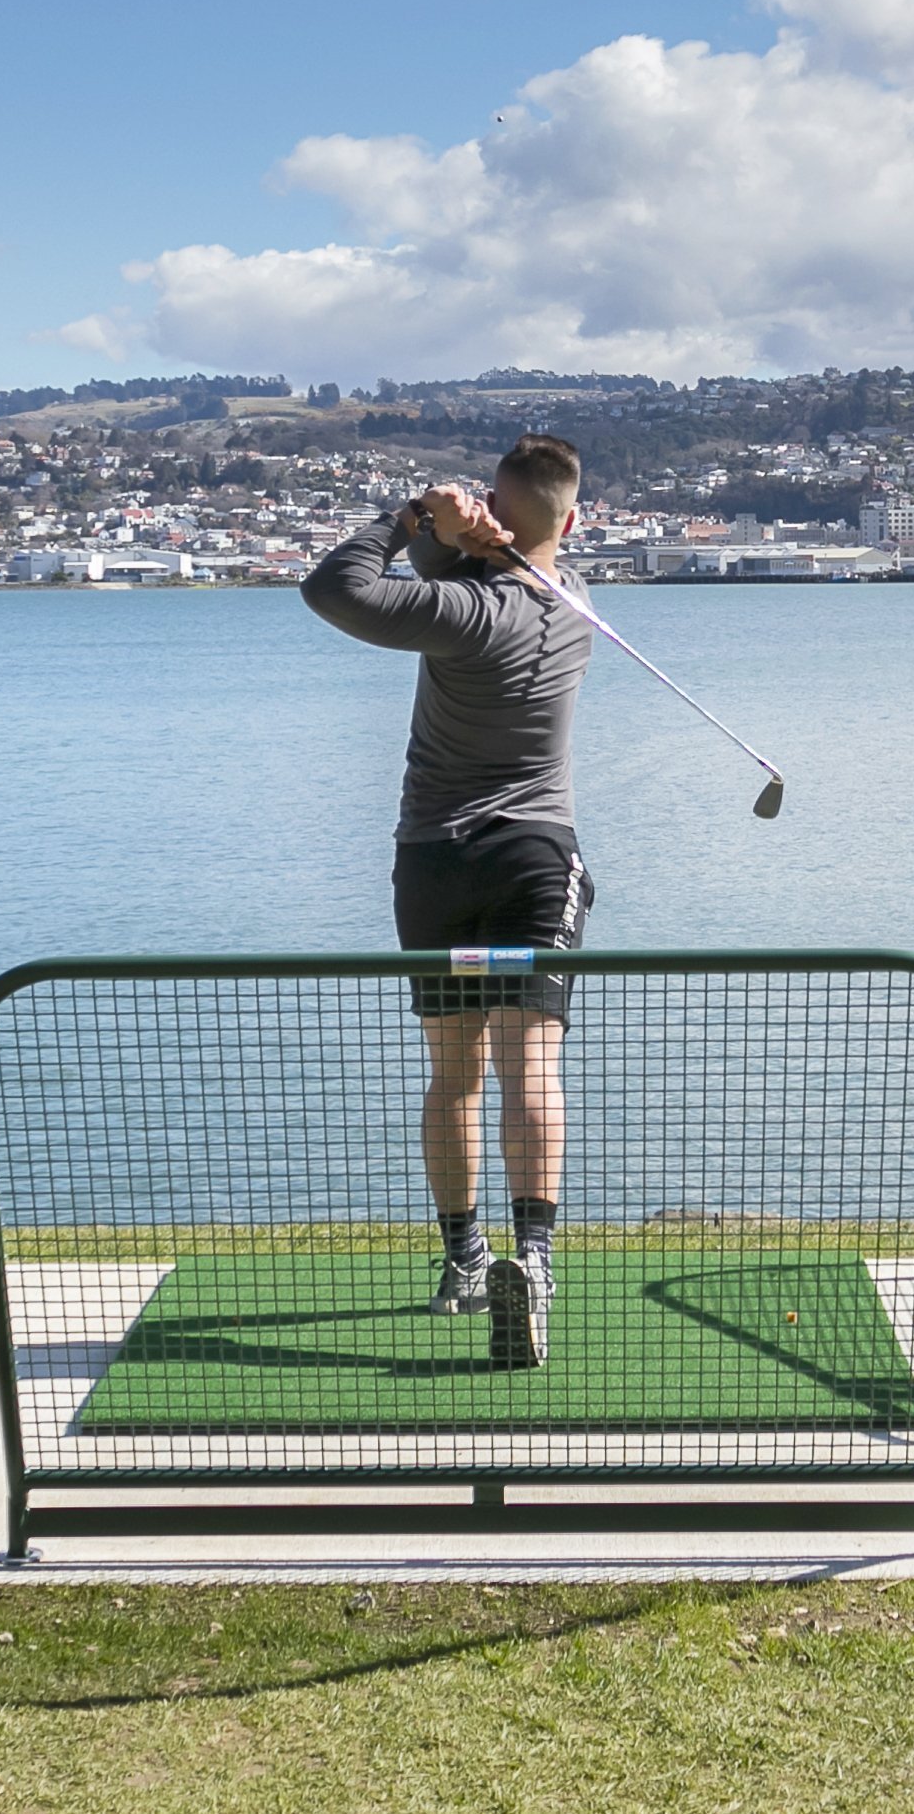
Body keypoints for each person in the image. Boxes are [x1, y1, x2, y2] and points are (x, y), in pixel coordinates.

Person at [305, 433, 595, 1370]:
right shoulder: (577, 602)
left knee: (456, 1074)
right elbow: (485, 562)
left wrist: (407, 520)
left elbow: (333, 589)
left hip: (433, 862)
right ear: (574, 520)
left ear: (496, 520)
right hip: (532, 859)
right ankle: (534, 1261)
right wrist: (463, 533)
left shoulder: (466, 613)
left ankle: (465, 1261)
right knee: (530, 1069)